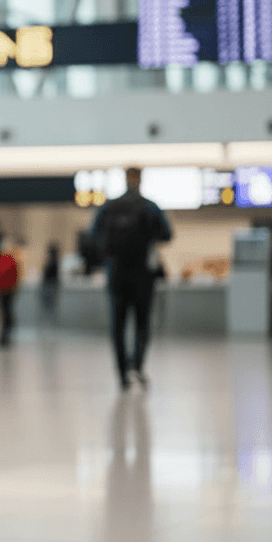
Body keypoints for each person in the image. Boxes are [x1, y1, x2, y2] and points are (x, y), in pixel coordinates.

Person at [90, 167, 172, 389]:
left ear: (125, 179)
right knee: (142, 322)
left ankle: (122, 373)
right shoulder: (150, 206)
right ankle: (138, 365)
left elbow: (94, 235)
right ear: (140, 180)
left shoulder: (109, 207)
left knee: (117, 324)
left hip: (116, 272)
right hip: (142, 273)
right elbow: (167, 234)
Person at [0, 236, 19, 346]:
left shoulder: (4, 260)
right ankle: (5, 334)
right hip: (6, 291)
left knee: (5, 313)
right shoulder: (8, 260)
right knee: (6, 312)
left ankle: (5, 334)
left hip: (5, 291)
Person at [41, 241, 60, 319]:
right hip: (50, 286)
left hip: (50, 286)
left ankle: (49, 322)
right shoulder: (53, 261)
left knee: (49, 307)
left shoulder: (53, 262)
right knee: (48, 307)